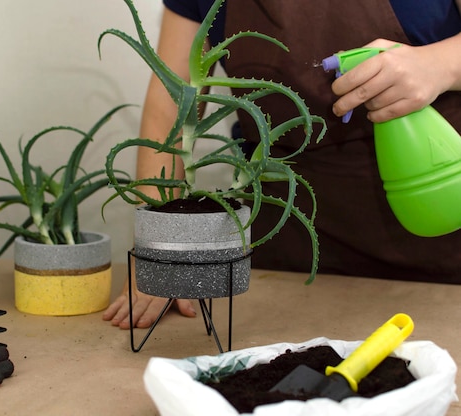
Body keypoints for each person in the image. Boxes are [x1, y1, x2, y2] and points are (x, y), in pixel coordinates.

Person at [103, 0, 461, 329]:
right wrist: (160, 249)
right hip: (288, 232)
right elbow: (173, 105)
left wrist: (440, 64)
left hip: (437, 221)